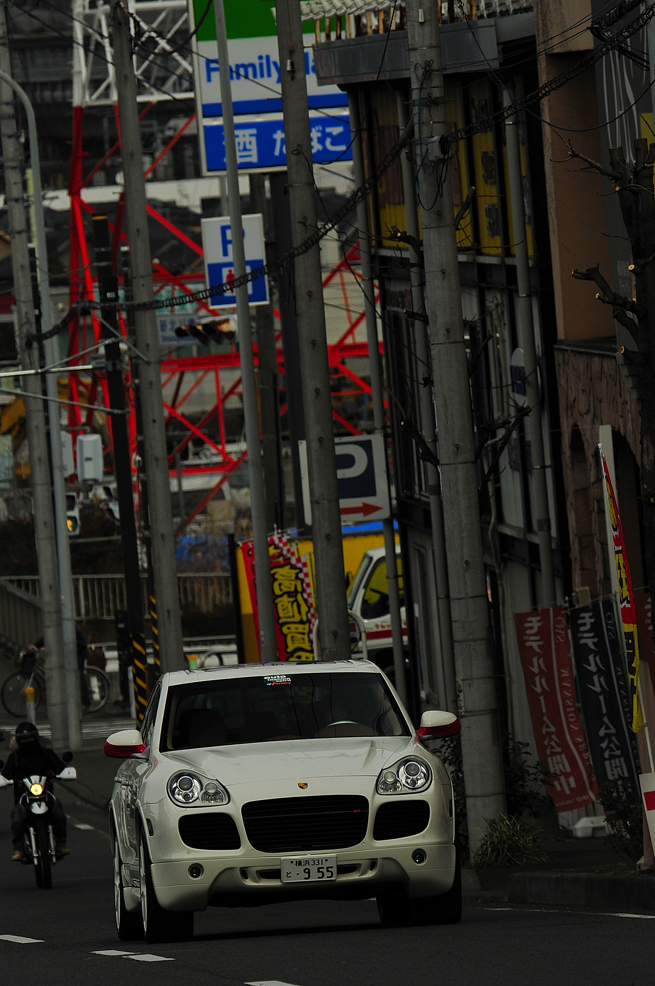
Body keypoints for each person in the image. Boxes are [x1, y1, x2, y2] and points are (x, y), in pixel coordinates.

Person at [1, 722, 69, 861]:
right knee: (17, 819)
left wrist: (65, 773)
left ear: (36, 737)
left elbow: (60, 768)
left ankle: (61, 844)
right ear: (18, 740)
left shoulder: (46, 754)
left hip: (46, 795)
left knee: (58, 813)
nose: (27, 742)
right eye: (24, 739)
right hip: (23, 797)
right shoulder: (14, 757)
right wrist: (4, 779)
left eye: (30, 738)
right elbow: (6, 774)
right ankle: (19, 849)